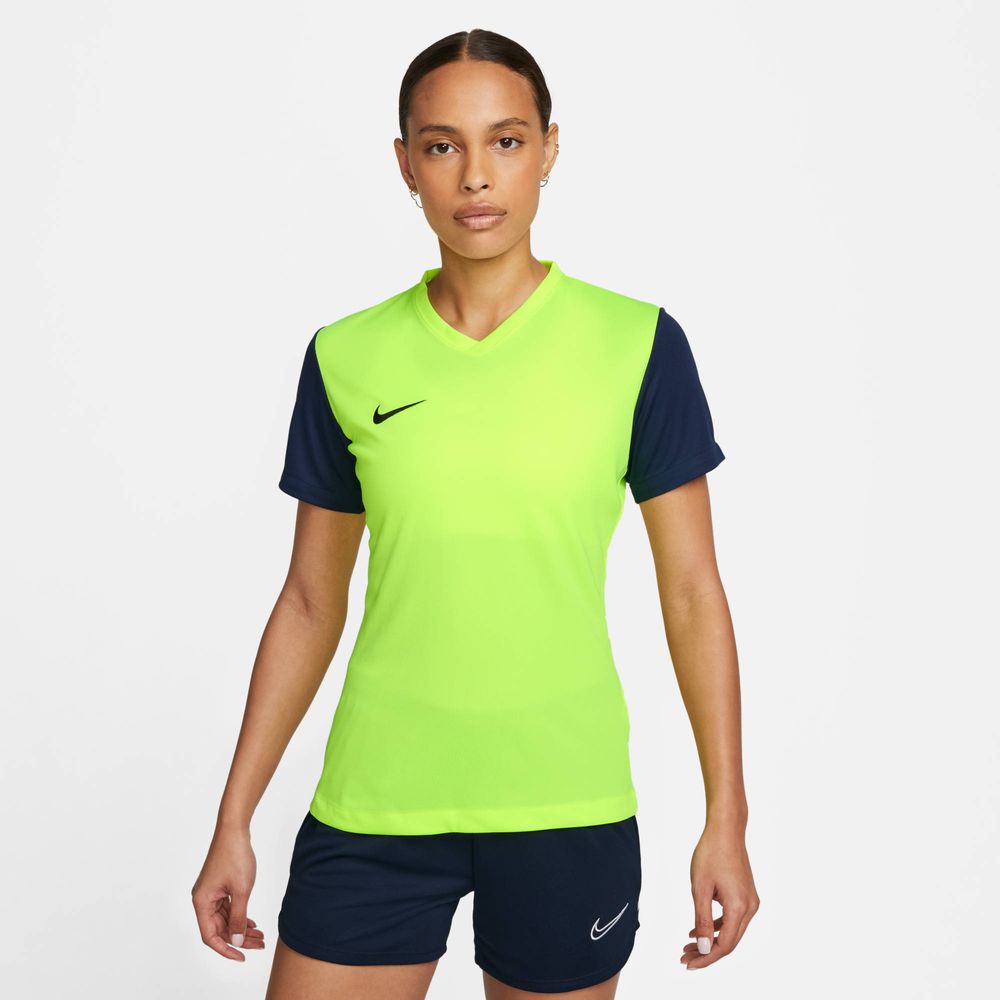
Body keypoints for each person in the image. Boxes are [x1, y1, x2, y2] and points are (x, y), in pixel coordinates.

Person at [191, 27, 759, 1000]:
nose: (475, 175)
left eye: (505, 140)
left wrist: (726, 818)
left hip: (565, 806)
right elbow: (309, 602)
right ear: (405, 163)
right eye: (442, 145)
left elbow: (693, 594)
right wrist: (233, 817)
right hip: (376, 804)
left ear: (547, 149)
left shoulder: (636, 345)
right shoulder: (346, 356)